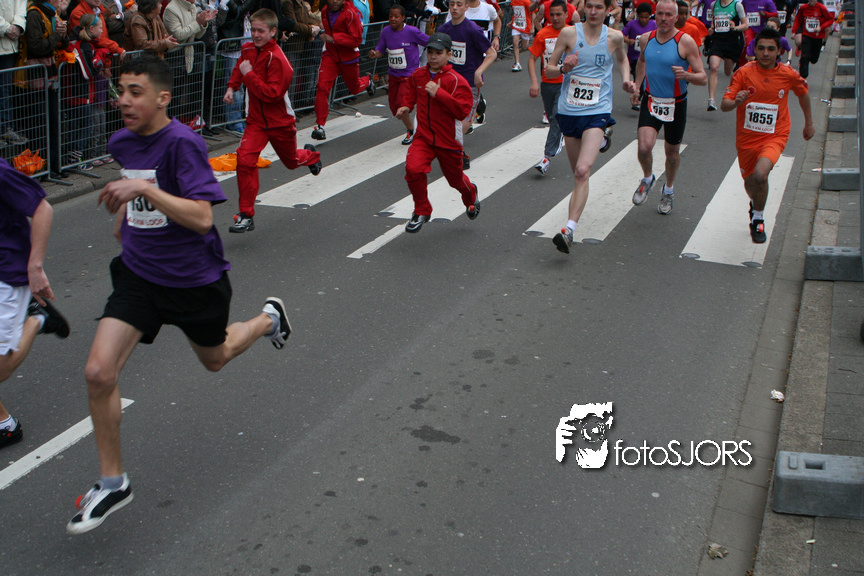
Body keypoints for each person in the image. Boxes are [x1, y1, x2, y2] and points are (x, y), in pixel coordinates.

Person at [66, 54, 292, 535]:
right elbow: (139, 187)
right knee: (98, 371)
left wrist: (139, 191)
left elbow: (202, 218)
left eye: (135, 92)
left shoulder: (183, 144)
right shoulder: (122, 141)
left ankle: (268, 319)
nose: (124, 101)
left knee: (216, 358)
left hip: (193, 280)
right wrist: (126, 214)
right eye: (120, 91)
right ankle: (113, 482)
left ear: (162, 98)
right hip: (140, 274)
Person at [544, 0, 637, 254]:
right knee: (578, 174)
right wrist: (563, 67)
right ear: (583, 8)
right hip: (569, 111)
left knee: (582, 171)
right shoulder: (568, 34)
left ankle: (569, 230)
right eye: (590, 7)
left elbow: (623, 61)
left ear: (608, 10)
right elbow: (549, 70)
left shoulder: (615, 37)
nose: (593, 12)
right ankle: (603, 139)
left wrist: (626, 80)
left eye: (599, 7)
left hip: (597, 110)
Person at [223, 8, 323, 233]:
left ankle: (310, 155)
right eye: (253, 30)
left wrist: (249, 75)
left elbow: (272, 94)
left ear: (273, 32)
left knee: (291, 162)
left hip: (280, 122)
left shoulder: (279, 59)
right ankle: (246, 215)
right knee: (244, 160)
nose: (255, 35)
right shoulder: (248, 49)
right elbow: (240, 68)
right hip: (256, 122)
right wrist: (232, 87)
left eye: (260, 31)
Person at [0, 157, 70, 449]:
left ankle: (37, 318)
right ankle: (4, 424)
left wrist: (35, 267)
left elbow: (42, 208)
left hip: (5, 272)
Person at [720, 27, 812, 242]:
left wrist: (809, 123)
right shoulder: (743, 73)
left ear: (779, 51)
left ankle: (758, 219)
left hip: (775, 135)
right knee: (751, 183)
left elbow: (803, 94)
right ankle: (756, 206)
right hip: (746, 139)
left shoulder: (788, 74)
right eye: (761, 48)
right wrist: (736, 102)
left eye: (771, 49)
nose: (765, 53)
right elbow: (724, 105)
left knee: (761, 174)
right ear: (755, 49)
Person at [396, 32, 480, 233]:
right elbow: (411, 93)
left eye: (439, 53)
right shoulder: (418, 75)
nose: (433, 56)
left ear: (449, 54)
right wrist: (406, 106)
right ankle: (422, 210)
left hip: (448, 139)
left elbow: (462, 111)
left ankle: (471, 195)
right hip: (424, 136)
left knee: (455, 180)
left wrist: (439, 94)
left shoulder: (456, 80)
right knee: (413, 169)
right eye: (430, 52)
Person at [630, 0, 706, 214]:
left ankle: (668, 190)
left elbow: (702, 77)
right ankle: (648, 178)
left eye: (668, 15)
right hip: (651, 100)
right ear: (655, 15)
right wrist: (637, 86)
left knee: (672, 154)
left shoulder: (685, 42)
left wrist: (687, 75)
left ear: (676, 17)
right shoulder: (646, 38)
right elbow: (642, 61)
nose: (663, 18)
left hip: (676, 103)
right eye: (660, 14)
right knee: (644, 147)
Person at [437, 0, 497, 169]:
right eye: (452, 4)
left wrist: (479, 72)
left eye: (459, 4)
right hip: (449, 81)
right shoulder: (444, 30)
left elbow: (491, 53)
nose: (455, 8)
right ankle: (458, 152)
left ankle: (457, 152)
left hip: (469, 82)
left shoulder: (472, 29)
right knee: (447, 120)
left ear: (466, 7)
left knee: (463, 121)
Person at [310, 0, 375, 140]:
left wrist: (333, 38)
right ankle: (320, 126)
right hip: (330, 55)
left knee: (354, 88)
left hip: (348, 56)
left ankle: (368, 81)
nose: (334, 1)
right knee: (322, 87)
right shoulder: (325, 11)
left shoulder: (351, 14)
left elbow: (356, 40)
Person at [369, 4, 429, 144]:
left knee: (402, 104)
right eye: (391, 16)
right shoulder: (386, 31)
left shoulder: (412, 31)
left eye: (396, 16)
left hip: (409, 75)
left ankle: (411, 131)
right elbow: (380, 51)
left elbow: (429, 41)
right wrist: (374, 54)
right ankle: (412, 128)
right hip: (393, 75)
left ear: (403, 17)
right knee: (394, 107)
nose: (393, 19)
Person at [23, 0, 69, 175]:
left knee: (54, 122)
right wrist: (57, 36)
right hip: (38, 76)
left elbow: (63, 44)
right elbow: (35, 46)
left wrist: (63, 35)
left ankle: (55, 165)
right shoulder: (34, 14)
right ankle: (41, 168)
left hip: (52, 73)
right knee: (41, 124)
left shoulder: (53, 14)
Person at [526, 0, 568, 175]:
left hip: (566, 84)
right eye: (552, 15)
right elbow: (531, 59)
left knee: (557, 117)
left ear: (566, 15)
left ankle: (546, 157)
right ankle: (563, 132)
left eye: (559, 14)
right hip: (548, 84)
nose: (555, 18)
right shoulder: (543, 34)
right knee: (553, 118)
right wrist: (534, 82)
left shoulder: (574, 33)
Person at [705, 0, 746, 111]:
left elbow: (745, 25)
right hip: (717, 41)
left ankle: (731, 90)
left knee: (728, 72)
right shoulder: (714, 5)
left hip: (732, 42)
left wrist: (735, 27)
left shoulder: (737, 5)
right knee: (714, 68)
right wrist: (711, 29)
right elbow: (714, 23)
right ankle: (711, 100)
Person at [0, 0, 29, 146]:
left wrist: (17, 26)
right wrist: (5, 28)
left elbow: (21, 7)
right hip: (5, 40)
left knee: (6, 89)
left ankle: (6, 128)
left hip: (10, 46)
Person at [791, 0, 832, 79]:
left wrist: (821, 28)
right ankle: (803, 78)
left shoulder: (821, 8)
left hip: (818, 37)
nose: (811, 1)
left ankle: (808, 56)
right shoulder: (803, 8)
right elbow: (798, 20)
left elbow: (830, 19)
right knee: (805, 56)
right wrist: (794, 31)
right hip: (806, 35)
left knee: (814, 60)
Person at [510, 0, 532, 71]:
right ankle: (517, 63)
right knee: (515, 42)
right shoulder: (513, 2)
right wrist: (511, 21)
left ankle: (519, 46)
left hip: (525, 26)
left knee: (524, 47)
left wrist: (532, 27)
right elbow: (515, 13)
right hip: (516, 25)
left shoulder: (527, 2)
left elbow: (533, 13)